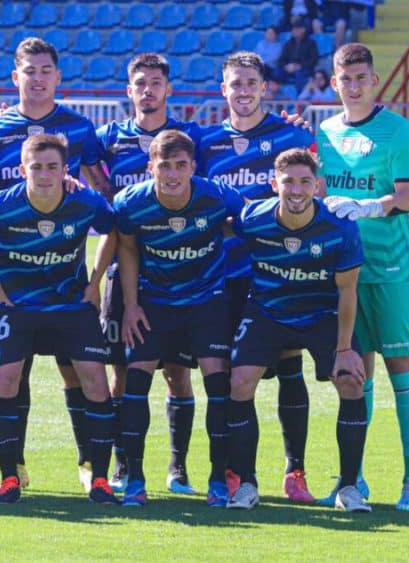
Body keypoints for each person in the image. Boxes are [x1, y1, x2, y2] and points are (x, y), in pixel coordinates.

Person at [0, 37, 111, 492]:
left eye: (45, 70)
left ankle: (91, 463)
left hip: (66, 277)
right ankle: (15, 466)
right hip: (14, 276)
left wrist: (97, 277)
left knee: (78, 370)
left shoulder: (78, 128)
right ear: (16, 77)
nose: (38, 78)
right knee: (14, 370)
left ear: (57, 76)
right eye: (29, 71)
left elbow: (103, 196)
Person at [196, 51, 319, 504]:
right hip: (223, 278)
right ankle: (235, 471)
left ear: (264, 87)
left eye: (251, 83)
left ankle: (295, 472)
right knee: (231, 377)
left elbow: (315, 190)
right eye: (235, 84)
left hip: (279, 275)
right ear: (222, 89)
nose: (243, 91)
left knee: (290, 366)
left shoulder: (291, 135)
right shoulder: (205, 143)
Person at [225, 148, 368, 512]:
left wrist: (345, 348)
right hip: (268, 312)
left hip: (321, 314)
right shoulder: (252, 218)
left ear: (317, 186)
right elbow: (221, 224)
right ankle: (246, 485)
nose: (297, 189)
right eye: (288, 181)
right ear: (275, 185)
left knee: (351, 380)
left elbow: (347, 290)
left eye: (305, 181)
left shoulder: (340, 227)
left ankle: (348, 488)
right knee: (239, 382)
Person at [318, 43, 409, 512]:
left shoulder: (399, 130)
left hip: (392, 269)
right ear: (333, 82)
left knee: (401, 368)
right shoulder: (323, 133)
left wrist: (370, 206)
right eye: (347, 79)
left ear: (375, 79)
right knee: (352, 371)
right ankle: (353, 479)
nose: (355, 86)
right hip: (346, 271)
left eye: (362, 77)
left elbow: (406, 196)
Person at [113, 130, 245, 507]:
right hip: (154, 304)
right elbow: (127, 250)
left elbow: (248, 219)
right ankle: (135, 479)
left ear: (193, 167)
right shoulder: (130, 203)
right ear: (150, 166)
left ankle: (218, 480)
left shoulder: (216, 195)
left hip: (207, 303)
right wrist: (132, 305)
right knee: (135, 382)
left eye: (181, 166)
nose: (172, 174)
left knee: (218, 387)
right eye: (165, 165)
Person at [94, 53, 204, 495]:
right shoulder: (108, 137)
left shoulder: (189, 137)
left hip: (180, 272)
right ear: (128, 90)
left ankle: (178, 469)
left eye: (156, 82)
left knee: (178, 372)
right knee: (122, 372)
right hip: (124, 270)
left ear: (168, 89)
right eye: (140, 83)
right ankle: (124, 466)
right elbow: (74, 158)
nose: (148, 90)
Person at [278, 20, 320, 93]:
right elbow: (281, 59)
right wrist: (286, 66)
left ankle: (299, 99)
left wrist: (300, 66)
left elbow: (314, 60)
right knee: (277, 73)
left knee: (299, 75)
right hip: (289, 67)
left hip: (304, 68)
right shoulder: (288, 43)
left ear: (303, 30)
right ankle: (277, 97)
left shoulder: (311, 43)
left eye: (296, 29)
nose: (294, 31)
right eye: (293, 30)